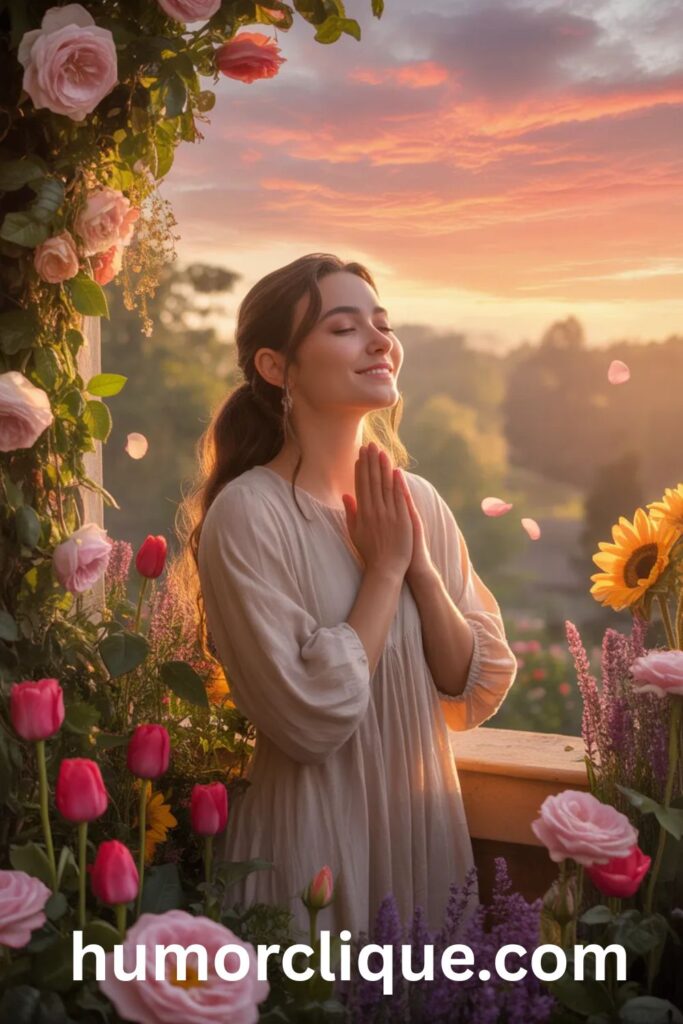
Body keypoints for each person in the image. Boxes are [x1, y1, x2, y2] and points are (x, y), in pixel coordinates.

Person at [175, 252, 517, 941]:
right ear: (276, 367)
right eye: (343, 327)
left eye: (381, 323)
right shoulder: (250, 514)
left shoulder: (414, 500)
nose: (378, 340)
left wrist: (416, 562)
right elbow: (308, 717)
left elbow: (471, 682)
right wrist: (385, 571)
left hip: (419, 835)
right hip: (312, 843)